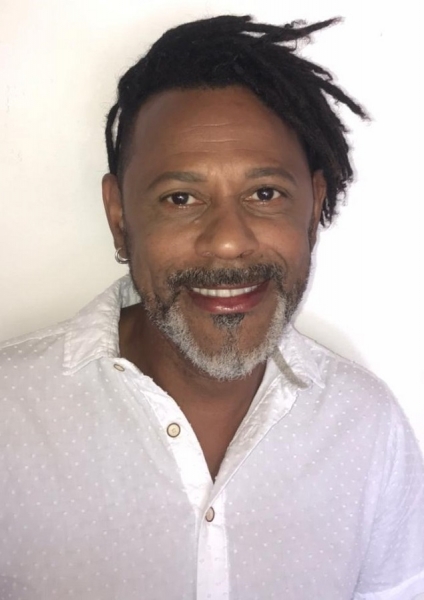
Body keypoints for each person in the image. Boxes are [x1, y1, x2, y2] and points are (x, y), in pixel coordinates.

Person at [0, 14, 423, 600]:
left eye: (265, 193)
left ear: (312, 210)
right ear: (120, 219)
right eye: (181, 198)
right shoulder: (11, 416)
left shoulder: (370, 431)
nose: (227, 241)